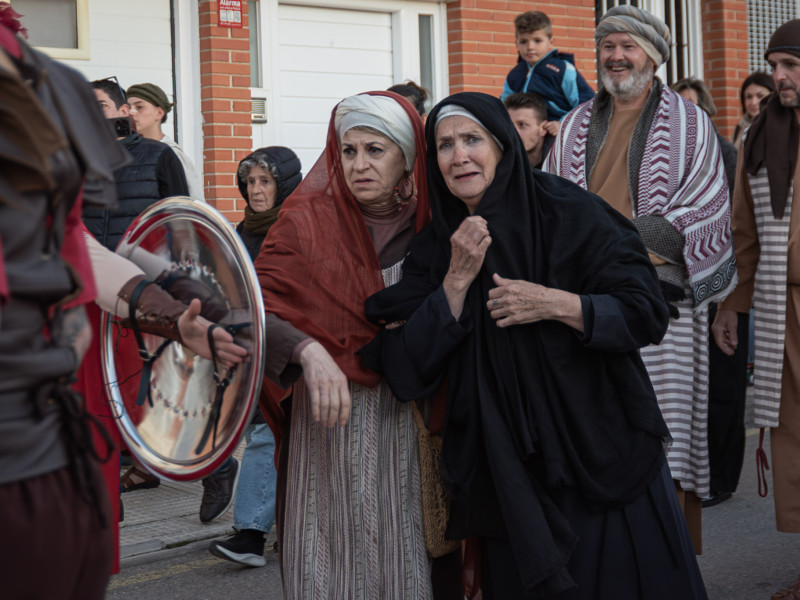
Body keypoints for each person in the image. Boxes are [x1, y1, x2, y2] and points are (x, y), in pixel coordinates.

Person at [361, 91, 707, 599]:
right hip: (505, 475)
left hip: (596, 451)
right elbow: (407, 367)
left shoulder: (569, 212)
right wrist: (456, 282)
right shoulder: (438, 246)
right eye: (444, 145)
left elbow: (645, 312)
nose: (459, 156)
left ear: (501, 144)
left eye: (472, 139)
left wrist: (558, 304)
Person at [545, 5, 736, 555]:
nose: (616, 56)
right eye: (607, 46)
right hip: (585, 297)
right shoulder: (578, 121)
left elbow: (705, 206)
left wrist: (618, 249)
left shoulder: (690, 122)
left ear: (653, 56)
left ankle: (667, 563)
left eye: (628, 46)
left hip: (660, 300)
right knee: (595, 430)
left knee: (663, 435)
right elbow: (552, 199)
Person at [254, 91, 434, 599]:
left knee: (402, 543)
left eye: (375, 150)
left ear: (407, 156)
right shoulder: (304, 220)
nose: (359, 165)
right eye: (348, 150)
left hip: (407, 420)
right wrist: (306, 348)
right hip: (325, 420)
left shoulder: (431, 225)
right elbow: (255, 305)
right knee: (327, 544)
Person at [0, 6, 124, 596]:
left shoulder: (40, 78)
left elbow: (73, 244)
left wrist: (167, 301)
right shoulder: (42, 76)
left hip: (41, 473)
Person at [711, 19, 800, 600]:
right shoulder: (759, 135)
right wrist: (729, 307)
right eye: (774, 66)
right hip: (776, 307)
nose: (778, 77)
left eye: (790, 66)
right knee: (793, 438)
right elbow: (743, 231)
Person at [207, 146, 301, 562]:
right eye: (249, 182)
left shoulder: (300, 226)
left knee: (265, 435)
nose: (256, 190)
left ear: (285, 184)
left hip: (286, 350)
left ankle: (249, 533)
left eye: (266, 181)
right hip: (244, 347)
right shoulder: (239, 231)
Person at [671, 76, 749, 508]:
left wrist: (728, 294)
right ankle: (699, 474)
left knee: (724, 387)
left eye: (692, 106)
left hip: (725, 284)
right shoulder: (666, 158)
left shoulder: (726, 152)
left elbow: (738, 224)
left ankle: (723, 477)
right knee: (694, 387)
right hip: (683, 291)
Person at [86, 78, 189, 251]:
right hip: (91, 272)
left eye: (101, 105)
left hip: (144, 271)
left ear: (124, 111)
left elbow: (182, 222)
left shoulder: (160, 155)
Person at [499, 11, 594, 121]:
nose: (530, 47)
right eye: (524, 41)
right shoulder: (515, 74)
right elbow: (503, 107)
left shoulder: (562, 70)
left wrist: (562, 124)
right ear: (516, 44)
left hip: (556, 132)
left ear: (551, 41)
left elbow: (587, 104)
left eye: (537, 41)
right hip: (522, 132)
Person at [126, 82, 205, 201]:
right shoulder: (127, 151)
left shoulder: (171, 153)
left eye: (139, 107)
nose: (131, 112)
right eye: (128, 107)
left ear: (159, 113)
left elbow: (194, 202)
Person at [503, 91, 555, 169]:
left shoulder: (562, 165)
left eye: (522, 125)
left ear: (543, 128)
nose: (513, 132)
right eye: (509, 125)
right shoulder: (498, 163)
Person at [731, 71, 774, 148]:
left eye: (760, 96)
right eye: (749, 97)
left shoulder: (782, 127)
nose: (753, 103)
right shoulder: (740, 128)